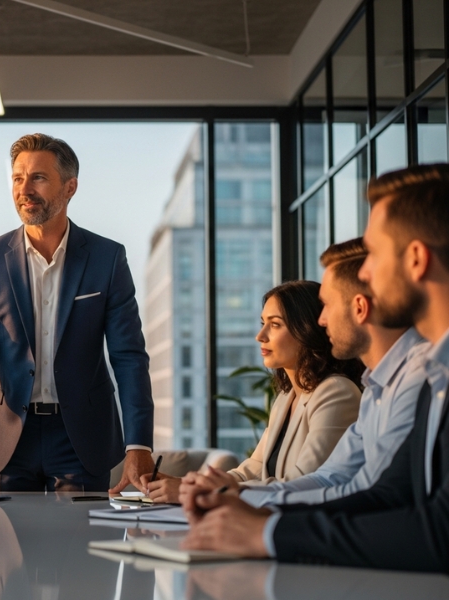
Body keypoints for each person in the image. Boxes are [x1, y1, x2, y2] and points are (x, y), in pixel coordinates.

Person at [182, 164, 449, 573]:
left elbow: (434, 527)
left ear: (416, 259)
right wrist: (259, 516)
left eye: (374, 253)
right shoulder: (432, 373)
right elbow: (381, 492)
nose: (365, 273)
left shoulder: (423, 376)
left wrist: (266, 530)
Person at [0, 133, 154, 493]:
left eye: (38, 177)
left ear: (70, 188)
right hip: (4, 438)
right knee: (0, 549)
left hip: (82, 438)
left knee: (83, 550)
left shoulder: (107, 259)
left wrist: (139, 445)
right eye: (18, 178)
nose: (25, 189)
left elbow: (129, 357)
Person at [237, 238, 426, 507]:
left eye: (327, 305)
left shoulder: (414, 381)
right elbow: (330, 479)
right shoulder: (376, 388)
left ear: (360, 307)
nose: (322, 320)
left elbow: (377, 495)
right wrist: (220, 492)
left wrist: (237, 503)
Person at [142, 280, 363, 502]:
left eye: (275, 325)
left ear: (307, 329)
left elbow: (304, 484)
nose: (260, 336)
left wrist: (201, 493)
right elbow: (252, 469)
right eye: (262, 323)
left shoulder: (336, 392)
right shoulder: (286, 398)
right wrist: (191, 485)